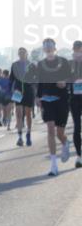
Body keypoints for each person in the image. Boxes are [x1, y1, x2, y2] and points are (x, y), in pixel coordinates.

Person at [33, 38, 72, 177]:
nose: (48, 48)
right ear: (44, 49)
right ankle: (54, 166)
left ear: (55, 48)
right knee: (50, 129)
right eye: (46, 46)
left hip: (61, 100)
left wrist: (65, 82)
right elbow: (39, 82)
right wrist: (38, 97)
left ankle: (66, 143)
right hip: (47, 99)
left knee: (59, 133)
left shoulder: (63, 62)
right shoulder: (41, 64)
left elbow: (70, 78)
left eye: (50, 45)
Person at [10, 48, 36, 147]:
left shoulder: (32, 64)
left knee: (28, 114)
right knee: (18, 113)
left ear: (26, 54)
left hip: (29, 90)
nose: (21, 54)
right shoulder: (14, 65)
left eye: (23, 53)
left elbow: (36, 77)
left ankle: (28, 133)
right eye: (19, 53)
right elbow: (11, 79)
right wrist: (10, 92)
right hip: (18, 91)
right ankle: (20, 137)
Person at [70, 40, 82, 169]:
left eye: (79, 48)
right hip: (74, 98)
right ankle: (79, 156)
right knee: (77, 127)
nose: (77, 50)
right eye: (75, 48)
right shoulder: (69, 64)